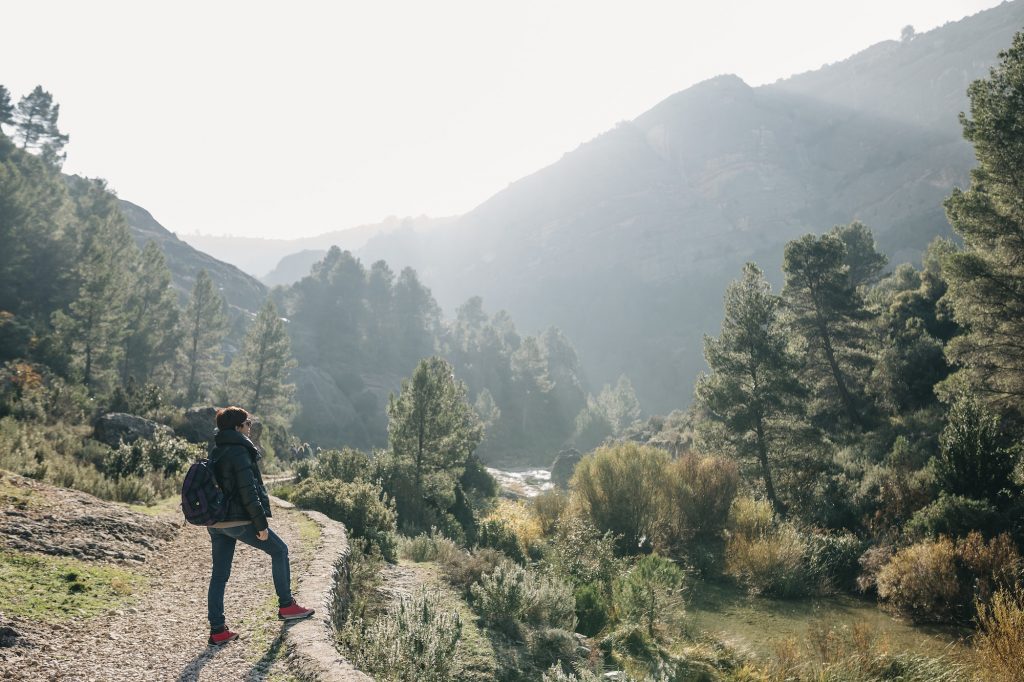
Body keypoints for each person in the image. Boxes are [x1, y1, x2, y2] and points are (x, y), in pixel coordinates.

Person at [206, 406, 314, 646]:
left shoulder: (216, 451)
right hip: (238, 520)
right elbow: (249, 492)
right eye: (248, 423)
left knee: (219, 575)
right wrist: (260, 524)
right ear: (238, 427)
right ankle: (287, 606)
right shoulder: (239, 452)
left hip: (215, 522)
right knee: (280, 550)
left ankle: (217, 630)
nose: (250, 427)